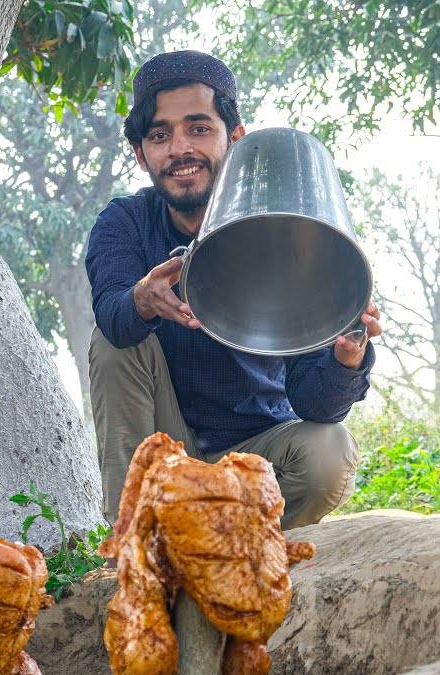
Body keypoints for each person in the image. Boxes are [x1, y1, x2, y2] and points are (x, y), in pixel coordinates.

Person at [86, 50, 384, 529]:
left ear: (236, 140)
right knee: (115, 339)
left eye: (199, 128)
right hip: (166, 450)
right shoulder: (126, 223)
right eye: (160, 135)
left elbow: (314, 405)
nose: (180, 148)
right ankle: (134, 538)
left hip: (257, 456)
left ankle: (222, 537)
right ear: (142, 155)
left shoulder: (290, 234)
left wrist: (347, 356)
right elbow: (113, 314)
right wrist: (142, 299)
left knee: (330, 452)